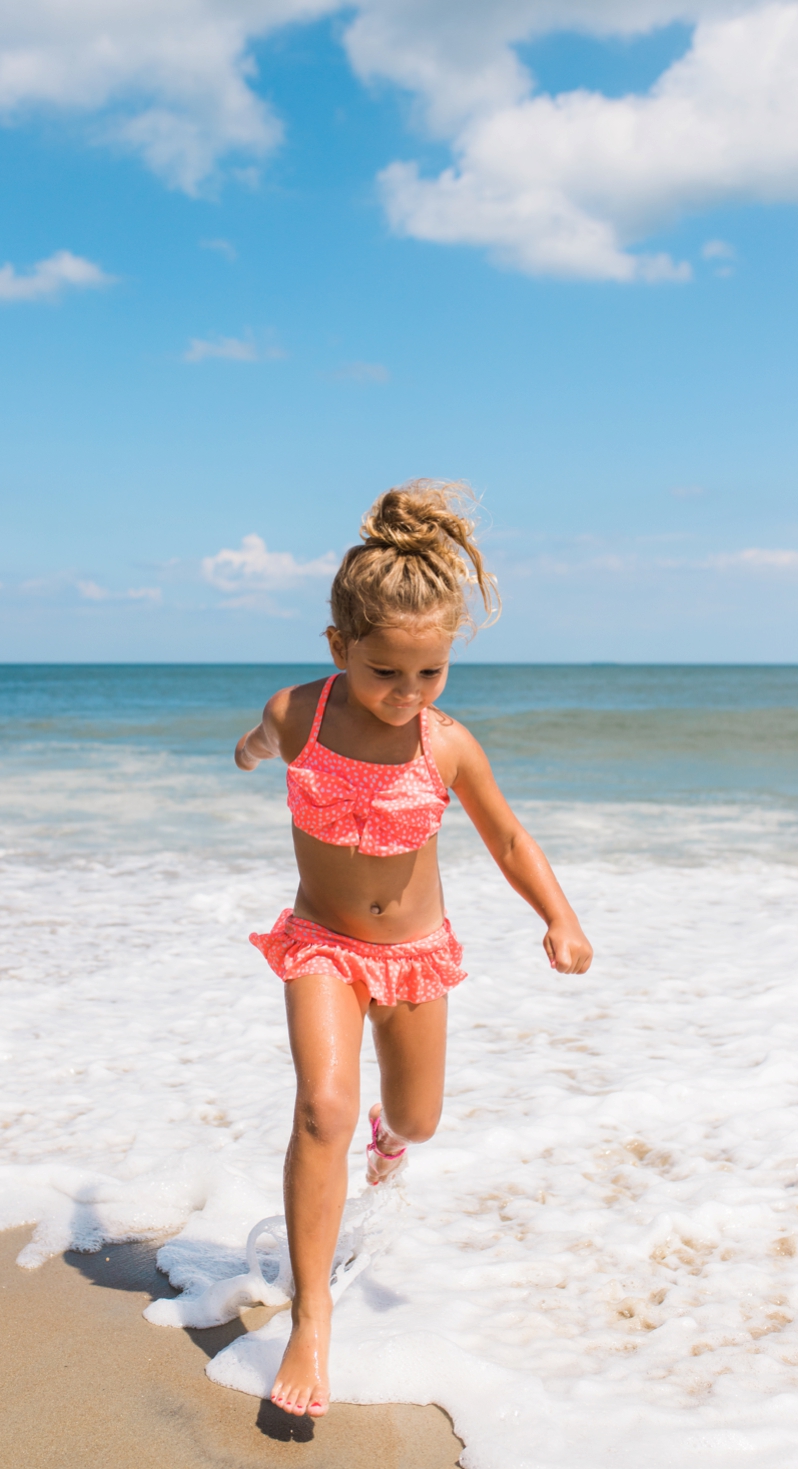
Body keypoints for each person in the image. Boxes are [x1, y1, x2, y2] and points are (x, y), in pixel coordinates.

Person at [233, 480, 593, 1416]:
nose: (407, 694)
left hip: (418, 958)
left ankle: (393, 1146)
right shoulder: (297, 714)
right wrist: (248, 748)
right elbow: (260, 741)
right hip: (322, 945)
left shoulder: (448, 746)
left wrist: (559, 916)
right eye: (386, 672)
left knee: (418, 1119)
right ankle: (313, 1323)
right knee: (322, 1109)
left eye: (429, 674)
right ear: (339, 649)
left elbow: (510, 840)